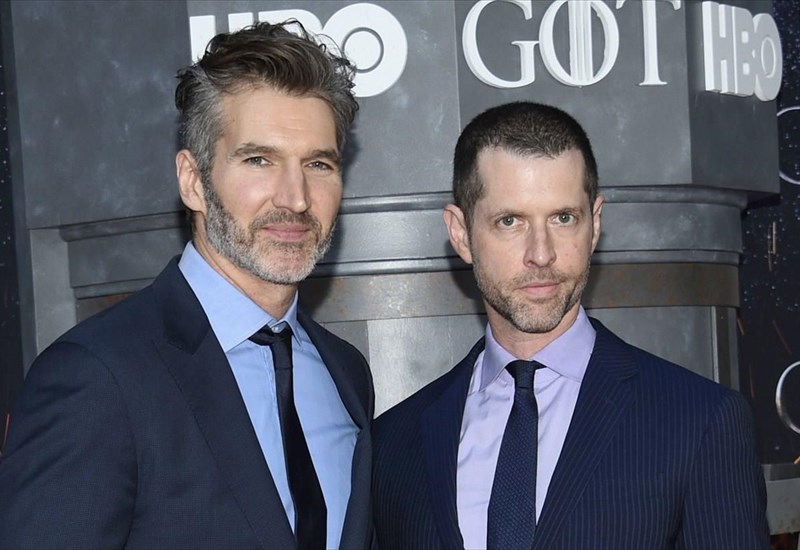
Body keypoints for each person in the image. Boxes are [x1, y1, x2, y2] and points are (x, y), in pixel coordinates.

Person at [0, 21, 373, 550]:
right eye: (259, 160)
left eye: (318, 164)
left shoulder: (345, 373)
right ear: (193, 180)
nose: (295, 198)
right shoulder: (97, 377)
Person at [372, 101, 768, 549]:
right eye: (509, 221)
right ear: (461, 234)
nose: (541, 254)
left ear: (594, 225)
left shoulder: (699, 422)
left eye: (563, 218)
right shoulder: (394, 444)